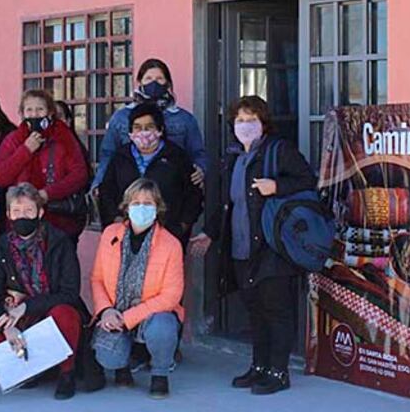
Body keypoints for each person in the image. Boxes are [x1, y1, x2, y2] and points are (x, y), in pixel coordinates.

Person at [190, 95, 316, 395]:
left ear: (264, 123)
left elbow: (308, 181)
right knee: (255, 310)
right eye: (240, 120)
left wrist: (278, 186)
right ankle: (259, 366)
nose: (245, 125)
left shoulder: (278, 150)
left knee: (277, 310)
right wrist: (209, 233)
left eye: (252, 119)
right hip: (240, 248)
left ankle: (278, 371)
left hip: (272, 246)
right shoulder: (232, 157)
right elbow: (225, 203)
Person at [0, 183, 87, 400]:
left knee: (64, 314)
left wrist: (26, 306)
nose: (22, 217)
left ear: (40, 212)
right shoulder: (3, 244)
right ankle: (34, 369)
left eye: (28, 211)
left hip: (49, 309)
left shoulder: (59, 241)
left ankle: (66, 372)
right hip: (17, 316)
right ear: (8, 214)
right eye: (16, 212)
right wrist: (5, 324)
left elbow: (69, 292)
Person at [91, 178, 184, 400]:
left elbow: (171, 296)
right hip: (115, 310)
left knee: (162, 327)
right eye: (136, 203)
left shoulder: (171, 244)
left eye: (148, 203)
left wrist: (129, 317)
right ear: (126, 207)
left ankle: (160, 373)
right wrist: (105, 310)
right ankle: (121, 367)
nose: (141, 208)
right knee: (106, 357)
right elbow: (96, 278)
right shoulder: (110, 235)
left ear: (157, 207)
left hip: (152, 314)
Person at [93, 58, 207, 192]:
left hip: (172, 189)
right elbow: (108, 153)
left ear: (168, 83)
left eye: (160, 78)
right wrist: (99, 183)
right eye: (148, 78)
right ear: (140, 82)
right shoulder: (121, 117)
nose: (154, 83)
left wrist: (201, 168)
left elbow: (198, 152)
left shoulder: (184, 119)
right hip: (129, 188)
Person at [0, 90, 89, 244]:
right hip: (22, 221)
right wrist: (26, 150)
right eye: (29, 110)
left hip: (60, 220)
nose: (35, 114)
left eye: (40, 109)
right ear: (23, 113)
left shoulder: (63, 136)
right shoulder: (14, 139)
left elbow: (79, 174)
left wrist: (47, 194)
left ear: (50, 112)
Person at [98, 103, 203, 247]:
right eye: (137, 127)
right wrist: (115, 220)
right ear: (130, 131)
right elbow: (107, 191)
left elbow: (193, 194)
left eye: (149, 127)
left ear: (160, 129)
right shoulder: (120, 157)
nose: (143, 132)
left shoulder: (176, 156)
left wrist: (182, 226)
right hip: (126, 236)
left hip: (167, 237)